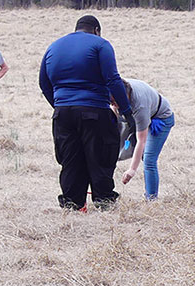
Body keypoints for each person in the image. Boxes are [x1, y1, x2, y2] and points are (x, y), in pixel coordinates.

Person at [39, 15, 135, 211]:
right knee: (100, 157)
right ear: (97, 30)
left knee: (70, 159)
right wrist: (126, 111)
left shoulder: (54, 46)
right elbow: (113, 79)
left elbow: (43, 82)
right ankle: (104, 202)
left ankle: (72, 204)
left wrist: (59, 105)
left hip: (63, 113)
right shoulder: (100, 44)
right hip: (95, 110)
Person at [112, 79, 174, 200]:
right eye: (111, 101)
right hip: (137, 115)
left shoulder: (140, 106)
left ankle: (151, 198)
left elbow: (142, 140)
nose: (113, 104)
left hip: (161, 119)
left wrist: (132, 170)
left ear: (126, 97)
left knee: (148, 159)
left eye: (115, 102)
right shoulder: (118, 86)